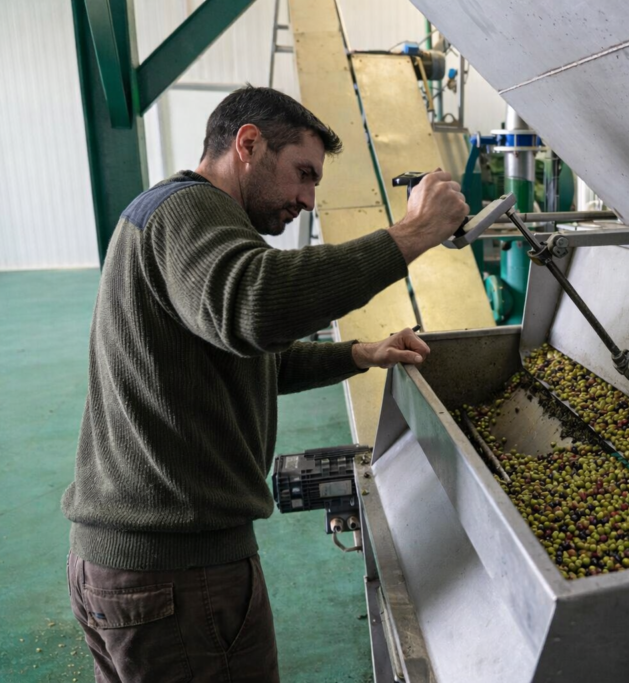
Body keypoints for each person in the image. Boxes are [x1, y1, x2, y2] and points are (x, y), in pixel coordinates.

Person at [61, 86, 468, 682]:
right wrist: (410, 235)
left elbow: (250, 357)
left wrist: (359, 352)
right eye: (302, 174)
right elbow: (257, 308)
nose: (307, 199)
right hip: (177, 574)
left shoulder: (177, 219)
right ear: (247, 144)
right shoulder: (189, 212)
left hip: (129, 569)